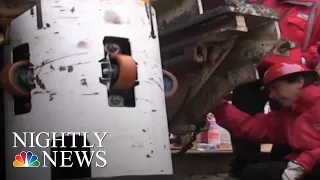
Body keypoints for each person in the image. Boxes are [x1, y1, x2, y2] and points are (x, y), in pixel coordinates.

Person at [229, 0, 320, 178]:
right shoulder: (260, 1)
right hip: (251, 71)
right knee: (249, 116)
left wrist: (305, 60)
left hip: (287, 80)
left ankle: (285, 163)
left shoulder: (316, 8)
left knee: (288, 130)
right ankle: (242, 166)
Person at [210, 62, 320, 180]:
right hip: (307, 164)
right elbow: (255, 126)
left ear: (299, 81)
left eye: (275, 87)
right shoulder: (290, 114)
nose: (272, 95)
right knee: (254, 173)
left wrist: (302, 164)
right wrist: (218, 106)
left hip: (311, 164)